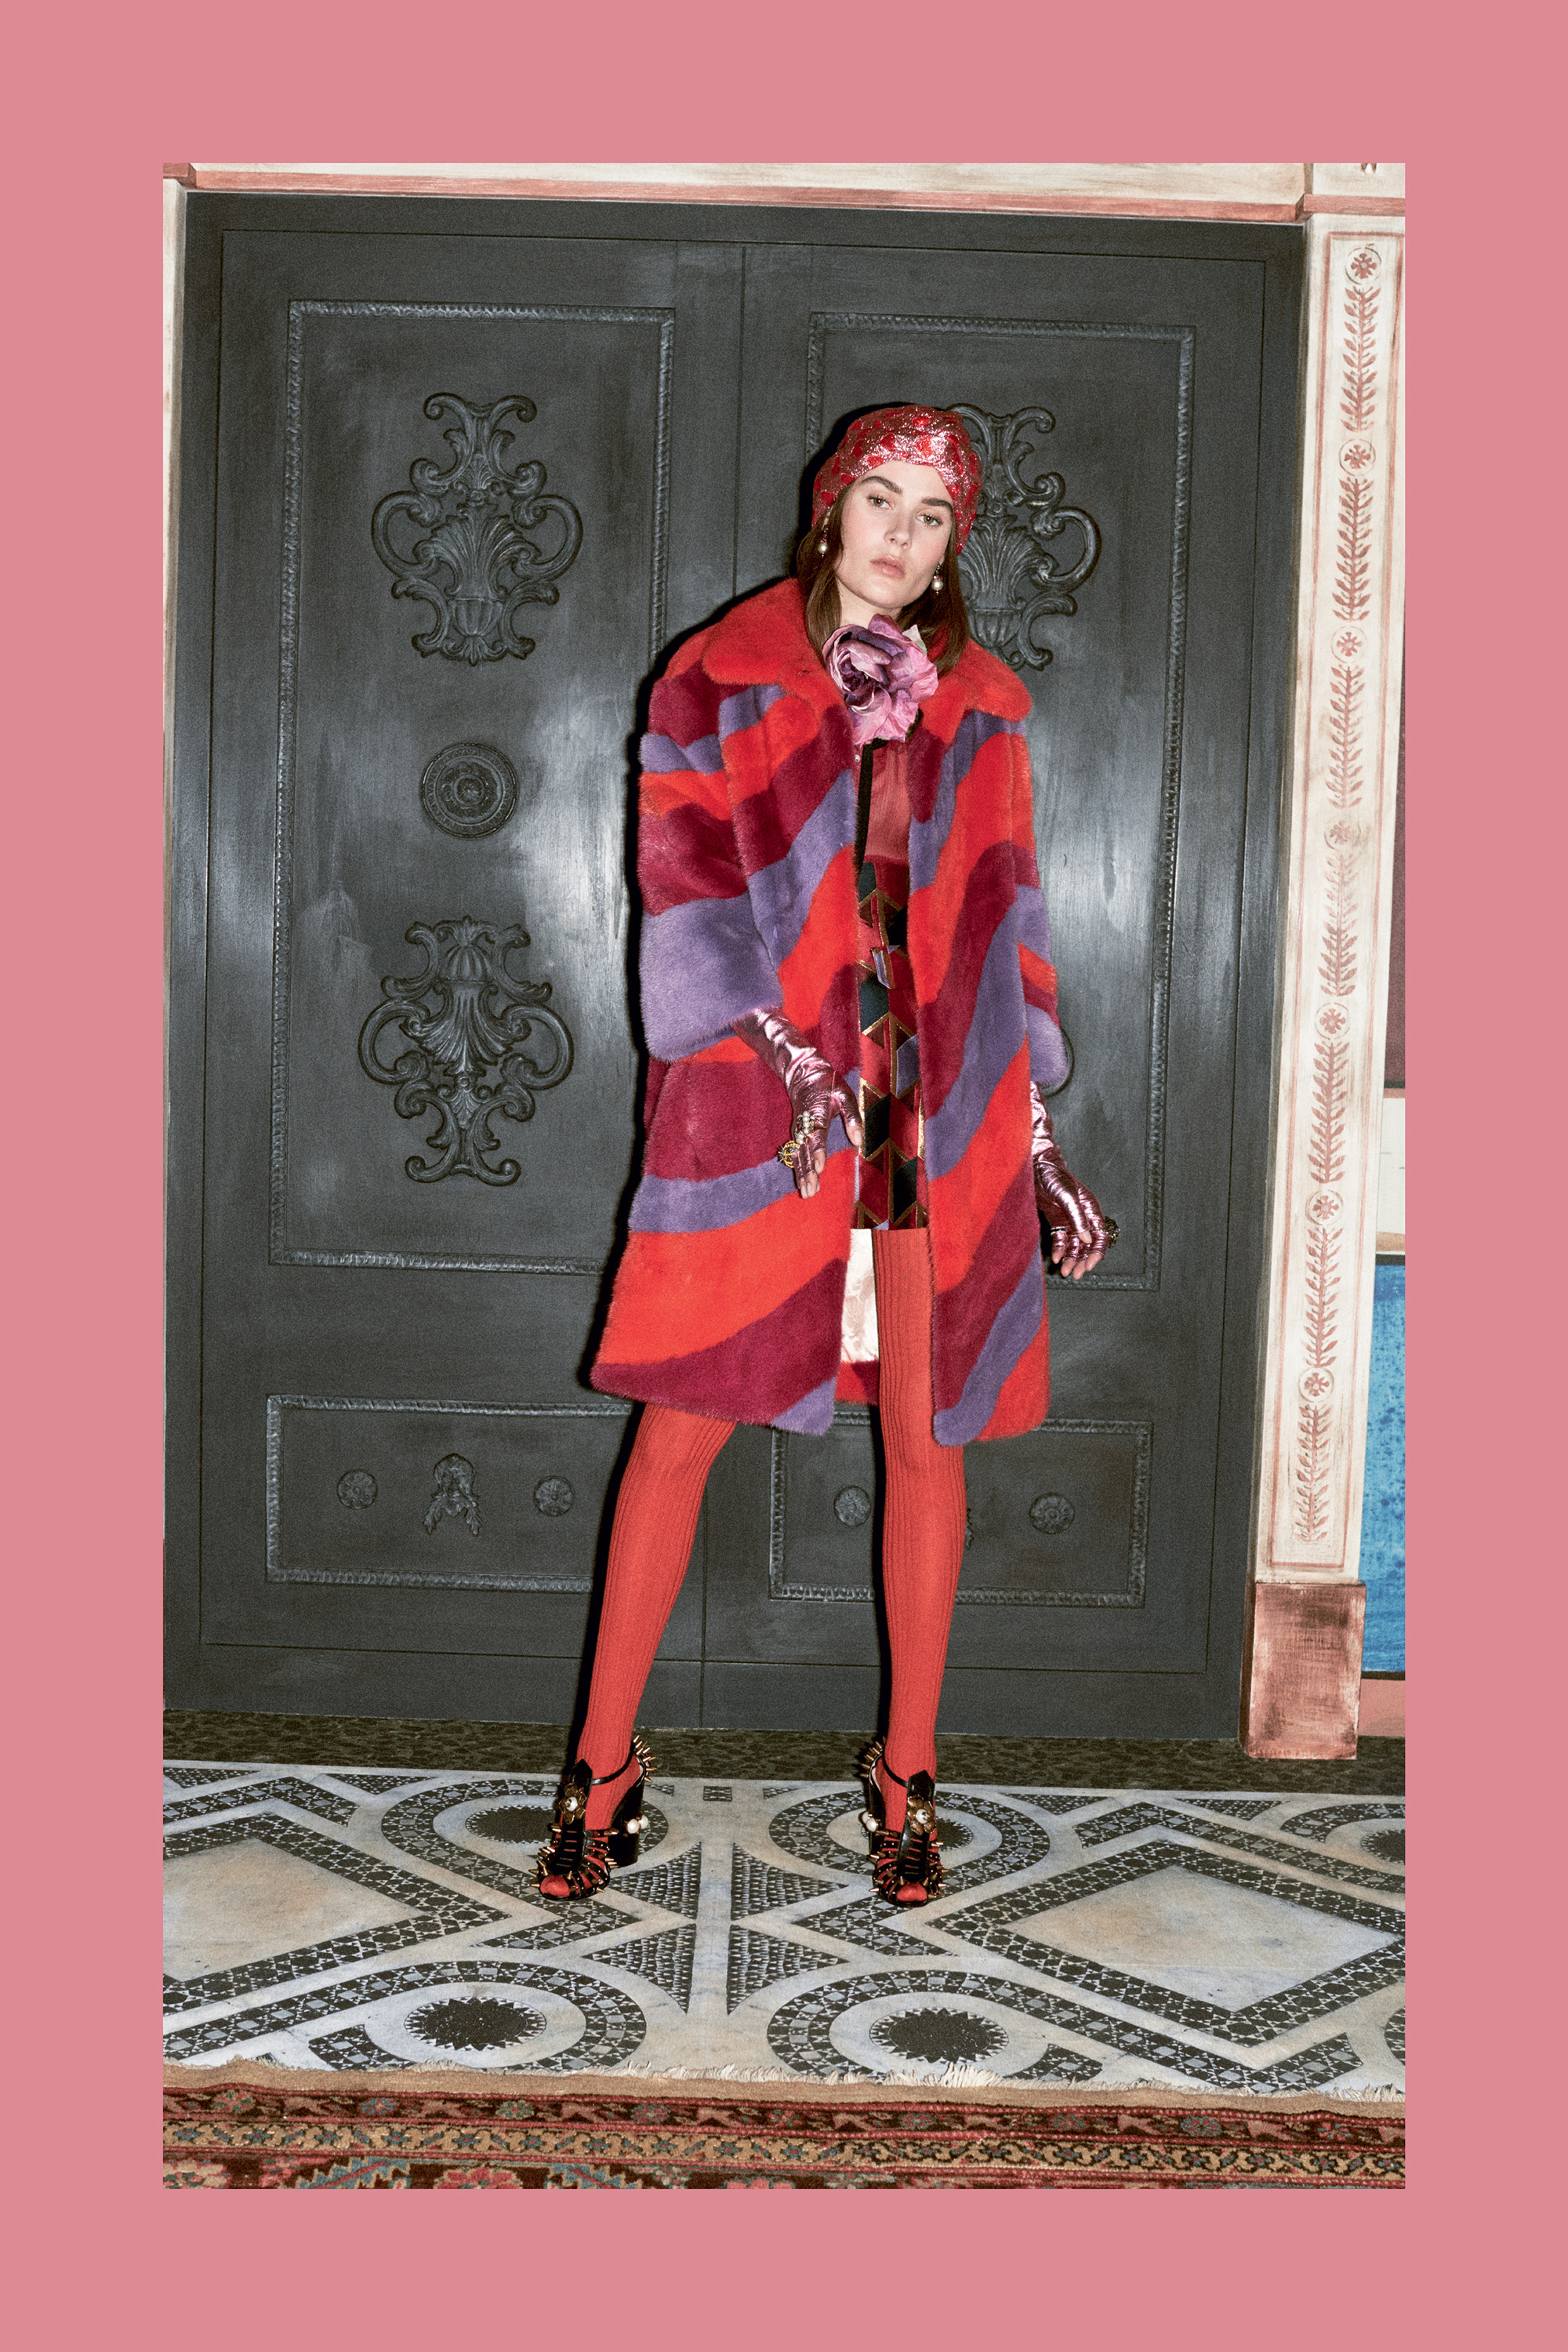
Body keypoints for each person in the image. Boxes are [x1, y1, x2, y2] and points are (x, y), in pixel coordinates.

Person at [535, 407, 1112, 1907]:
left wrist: (1036, 1130)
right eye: (882, 501)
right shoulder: (715, 679)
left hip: (938, 1123)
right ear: (830, 509)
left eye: (933, 517)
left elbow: (1008, 916)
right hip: (769, 1119)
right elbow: (687, 892)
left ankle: (908, 1776)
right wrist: (788, 1057)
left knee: (929, 1438)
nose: (902, 536)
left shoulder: (985, 706)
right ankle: (602, 1769)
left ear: (951, 546)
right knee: (677, 1434)